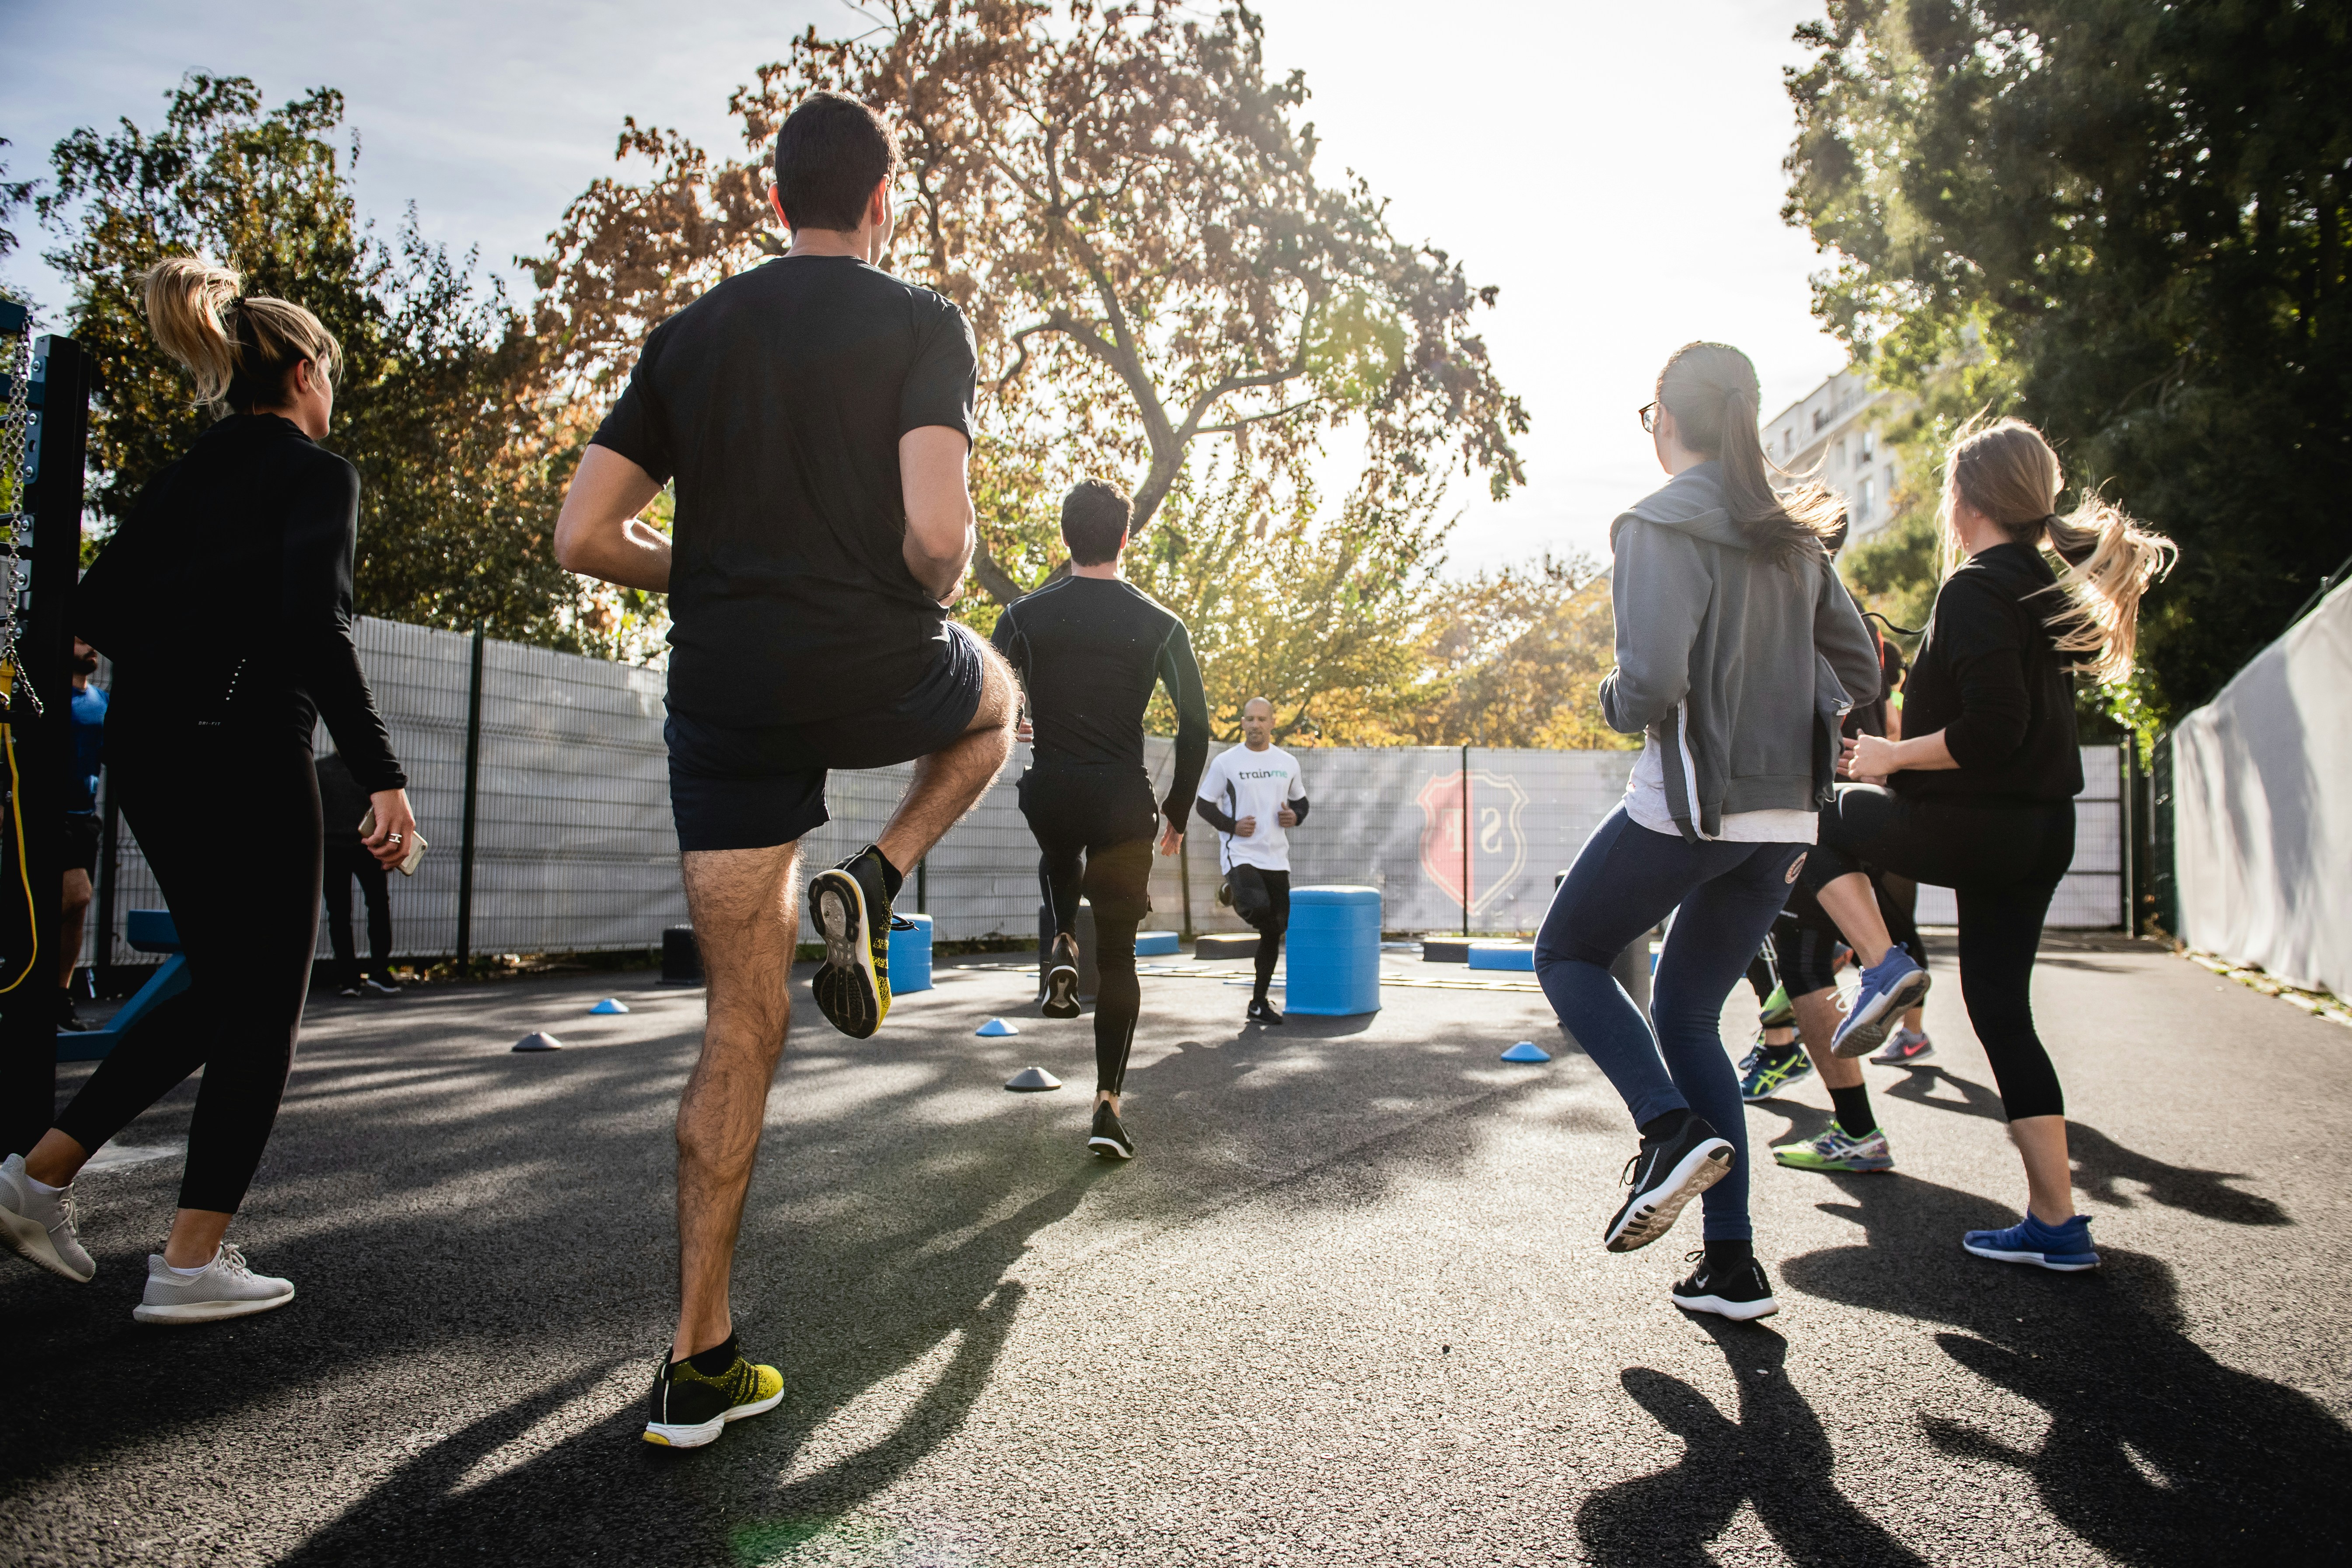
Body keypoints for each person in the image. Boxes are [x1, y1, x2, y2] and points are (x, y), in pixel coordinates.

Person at [551, 92, 1016, 1449]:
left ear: (774, 204)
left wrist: (696, 567)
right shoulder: (923, 322)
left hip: (728, 697)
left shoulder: (687, 339)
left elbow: (584, 534)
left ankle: (698, 1359)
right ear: (884, 205)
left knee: (736, 1029)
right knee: (996, 703)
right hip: (877, 667)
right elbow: (937, 539)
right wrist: (932, 576)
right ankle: (878, 870)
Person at [0, 258, 416, 1324]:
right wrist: (383, 777)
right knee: (263, 1002)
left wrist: (189, 653)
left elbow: (90, 607)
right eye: (334, 373)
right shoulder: (316, 474)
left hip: (154, 754)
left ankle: (37, 1177)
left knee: (221, 983)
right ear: (306, 371)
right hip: (245, 752)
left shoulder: (192, 474)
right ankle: (188, 1263)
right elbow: (313, 629)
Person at [1530, 341, 1878, 1322]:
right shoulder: (1797, 539)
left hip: (1692, 804)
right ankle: (1732, 1266)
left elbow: (1648, 686)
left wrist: (1608, 695)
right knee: (1687, 1015)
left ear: (1668, 421)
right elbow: (1859, 667)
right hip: (1784, 819)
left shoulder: (1653, 522)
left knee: (1567, 950)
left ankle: (1665, 1125)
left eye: (1649, 416)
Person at [1795, 415, 2173, 1272]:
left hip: (1981, 824)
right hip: (2041, 830)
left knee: (1810, 816)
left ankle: (1885, 963)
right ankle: (2056, 1222)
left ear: (1966, 497)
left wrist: (1893, 755)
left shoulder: (1974, 587)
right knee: (2003, 1011)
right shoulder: (2040, 584)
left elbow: (1993, 730)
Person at [991, 479, 1209, 1160]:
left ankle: (1059, 937)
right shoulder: (1162, 623)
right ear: (1125, 536)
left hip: (1053, 790)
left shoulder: (1023, 615)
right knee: (1119, 957)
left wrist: (1018, 718)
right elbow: (1197, 727)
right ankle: (1107, 1107)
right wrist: (1176, 809)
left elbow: (989, 693)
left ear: (1065, 536)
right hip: (1123, 802)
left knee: (1058, 846)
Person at [1194, 698, 1309, 1024]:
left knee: (1276, 928)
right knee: (1258, 909)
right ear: (1242, 723)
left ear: (1272, 722)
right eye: (1249, 719)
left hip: (1276, 856)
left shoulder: (1287, 762)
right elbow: (1204, 805)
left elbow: (1301, 802)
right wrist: (1232, 826)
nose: (1255, 724)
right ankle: (1233, 888)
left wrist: (1294, 816)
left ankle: (1258, 1003)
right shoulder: (1226, 762)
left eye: (1261, 719)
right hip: (1240, 853)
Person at [316, 749, 399, 997]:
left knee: (350, 912)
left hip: (354, 849)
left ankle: (363, 976)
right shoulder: (369, 769)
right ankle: (364, 974)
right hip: (348, 849)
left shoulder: (324, 769)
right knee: (361, 909)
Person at [57, 637, 107, 1032]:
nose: (90, 647)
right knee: (77, 893)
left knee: (76, 911)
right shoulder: (41, 696)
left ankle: (59, 994)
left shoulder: (102, 702)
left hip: (85, 816)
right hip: (46, 815)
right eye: (79, 640)